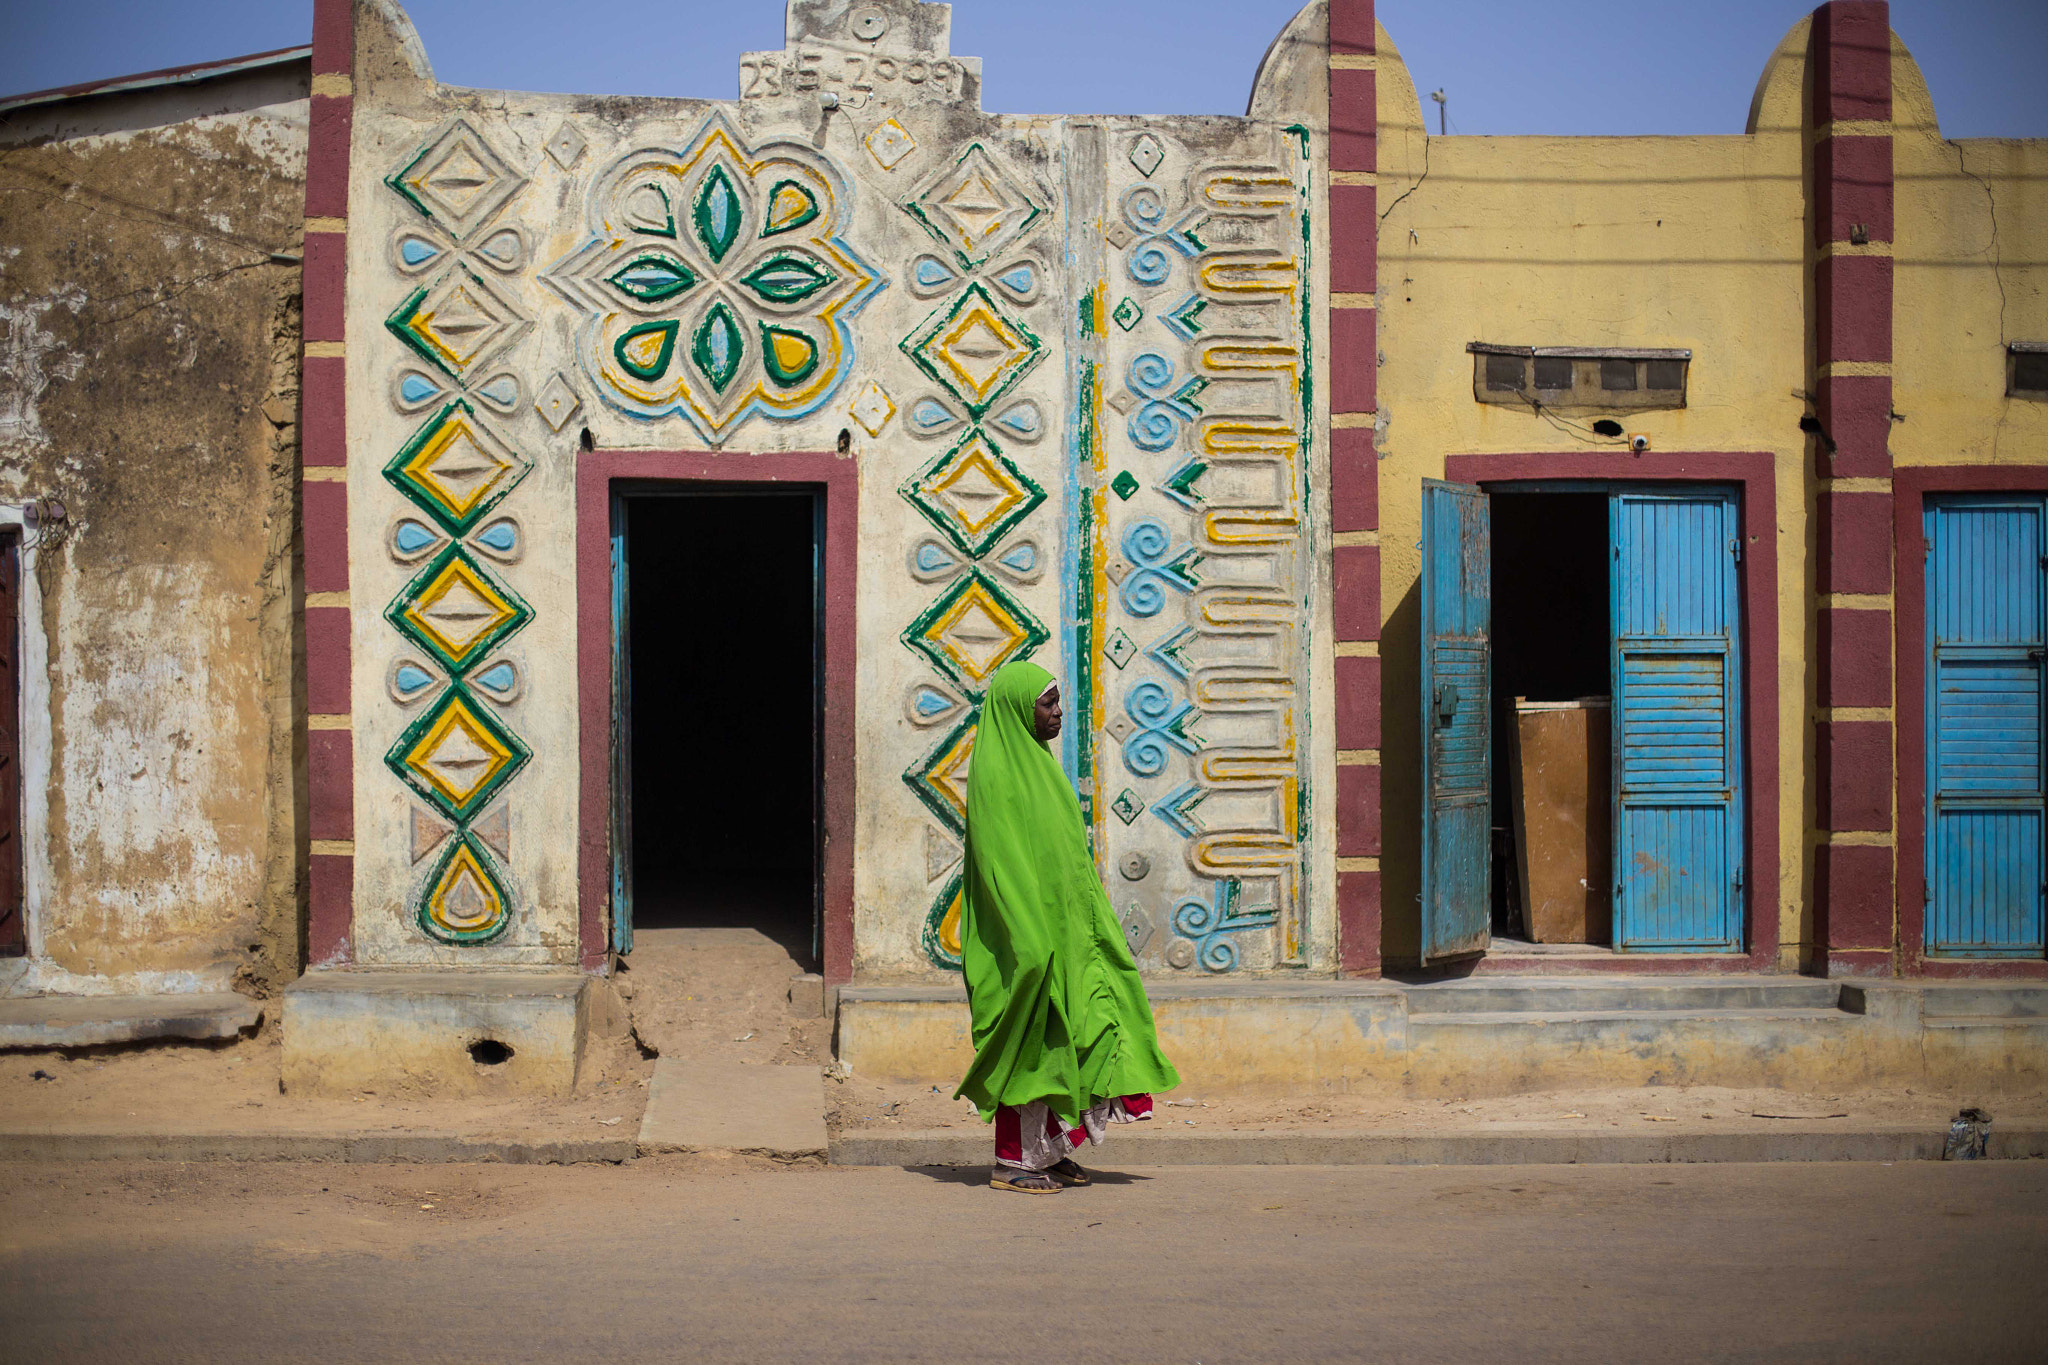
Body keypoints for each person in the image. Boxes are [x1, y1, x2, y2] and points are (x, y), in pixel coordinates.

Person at [954, 659, 1181, 1193]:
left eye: (1057, 703)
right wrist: (1029, 941)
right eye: (1048, 704)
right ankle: (1012, 1160)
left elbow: (1067, 862)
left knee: (1081, 1031)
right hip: (1027, 938)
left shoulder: (1040, 766)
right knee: (1032, 1039)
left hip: (1068, 931)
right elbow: (1000, 866)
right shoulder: (995, 773)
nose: (1058, 714)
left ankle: (1047, 1153)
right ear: (1017, 708)